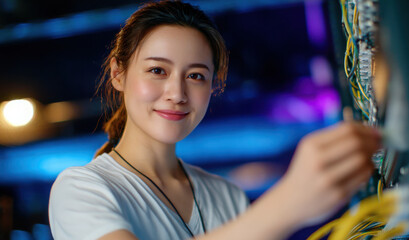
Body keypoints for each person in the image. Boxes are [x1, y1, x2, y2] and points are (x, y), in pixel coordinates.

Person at [48, 1, 381, 239]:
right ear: (118, 74)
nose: (176, 93)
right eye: (157, 71)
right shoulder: (81, 189)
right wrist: (287, 204)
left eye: (195, 76)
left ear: (213, 87)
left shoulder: (226, 195)